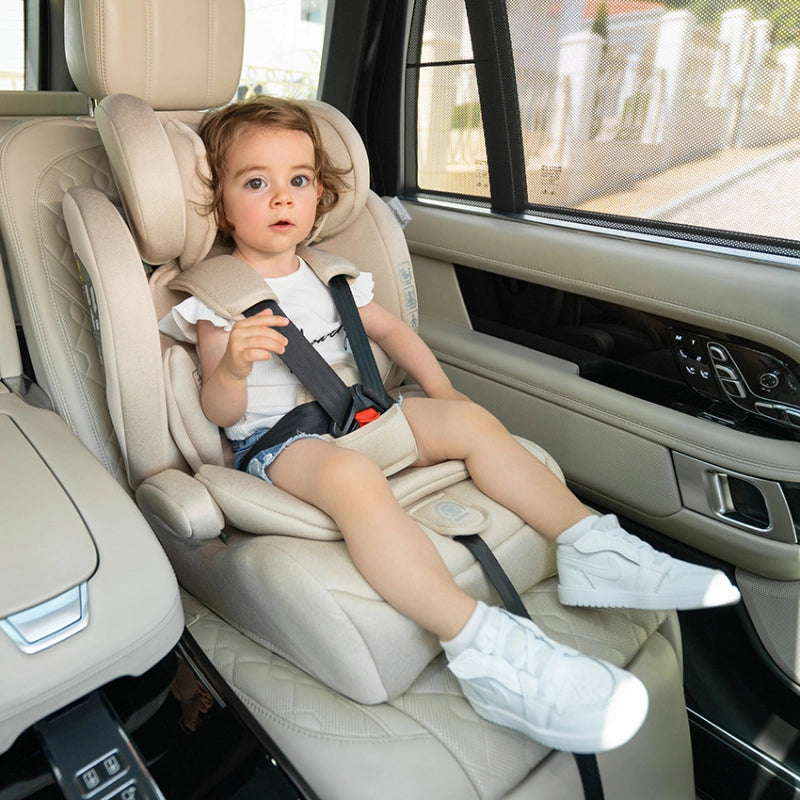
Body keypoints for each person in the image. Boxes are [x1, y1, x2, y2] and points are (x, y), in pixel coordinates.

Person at [164, 96, 740, 754]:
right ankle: (480, 644)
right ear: (220, 201)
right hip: (284, 445)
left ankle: (593, 549)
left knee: (470, 423)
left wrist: (443, 395)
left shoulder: (332, 276)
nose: (280, 197)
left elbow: (395, 336)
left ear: (320, 193)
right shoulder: (217, 300)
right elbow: (220, 413)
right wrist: (233, 366)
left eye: (298, 179)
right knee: (352, 478)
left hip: (363, 416)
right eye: (254, 182)